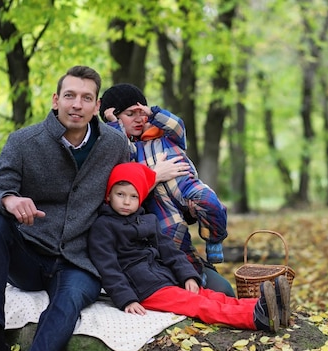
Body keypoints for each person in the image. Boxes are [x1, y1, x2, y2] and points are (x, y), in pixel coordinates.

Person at [0, 66, 189, 351]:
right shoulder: (23, 142)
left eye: (86, 98)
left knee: (69, 300)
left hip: (80, 259)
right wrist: (10, 199)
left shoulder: (115, 144)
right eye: (70, 95)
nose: (77, 104)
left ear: (97, 105)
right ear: (56, 100)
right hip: (29, 252)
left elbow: (130, 190)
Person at [88, 162, 291, 332]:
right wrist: (127, 299)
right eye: (120, 194)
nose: (126, 201)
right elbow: (109, 269)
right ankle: (255, 317)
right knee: (200, 305)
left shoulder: (148, 220)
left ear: (141, 198)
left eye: (133, 196)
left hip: (166, 279)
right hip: (145, 289)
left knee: (211, 295)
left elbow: (170, 251)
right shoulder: (103, 227)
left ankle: (270, 306)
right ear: (108, 196)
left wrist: (188, 276)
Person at [99, 84, 234, 296]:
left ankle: (205, 255)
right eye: (129, 114)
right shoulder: (120, 152)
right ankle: (191, 276)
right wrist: (154, 175)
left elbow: (177, 126)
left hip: (178, 198)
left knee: (224, 290)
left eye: (140, 112)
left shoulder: (162, 136)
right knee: (172, 237)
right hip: (142, 250)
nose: (138, 119)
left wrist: (190, 210)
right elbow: (122, 193)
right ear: (113, 118)